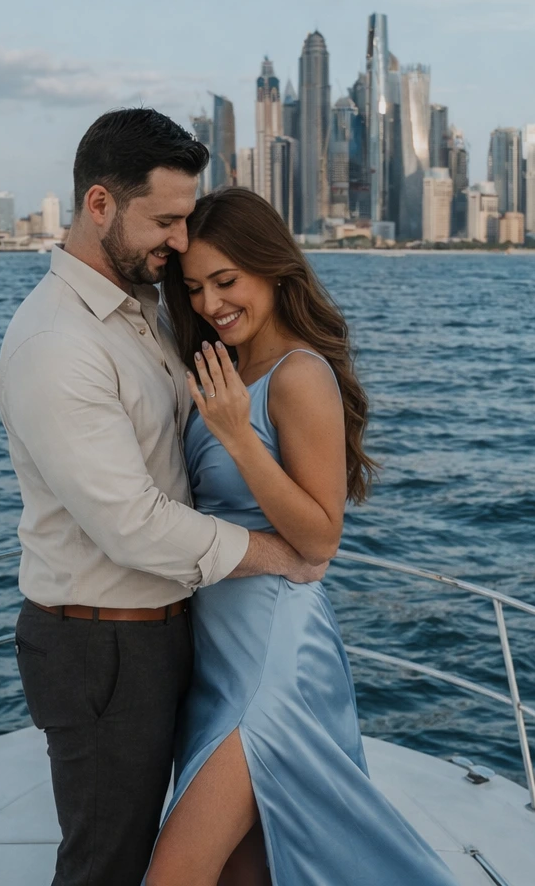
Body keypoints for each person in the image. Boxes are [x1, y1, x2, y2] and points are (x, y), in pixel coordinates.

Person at [0, 110, 325, 886]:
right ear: (100, 205)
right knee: (108, 865)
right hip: (104, 648)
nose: (179, 243)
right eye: (166, 221)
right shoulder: (59, 345)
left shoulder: (140, 314)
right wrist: (280, 553)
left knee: (221, 850)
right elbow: (133, 526)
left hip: (175, 632)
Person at [147, 187, 458, 886]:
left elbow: (321, 539)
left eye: (226, 281)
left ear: (273, 268)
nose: (209, 303)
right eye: (193, 287)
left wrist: (236, 434)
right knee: (246, 872)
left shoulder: (299, 375)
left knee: (177, 874)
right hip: (216, 655)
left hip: (273, 657)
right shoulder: (223, 366)